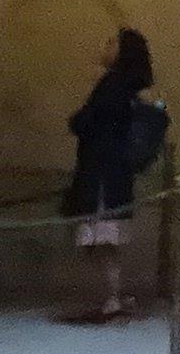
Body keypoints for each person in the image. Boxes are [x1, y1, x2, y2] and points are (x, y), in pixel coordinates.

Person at [59, 29, 167, 325]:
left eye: (111, 42)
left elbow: (85, 122)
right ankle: (114, 296)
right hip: (111, 174)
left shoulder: (112, 86)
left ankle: (113, 299)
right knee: (103, 243)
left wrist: (79, 118)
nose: (105, 46)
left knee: (103, 241)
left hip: (102, 178)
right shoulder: (123, 87)